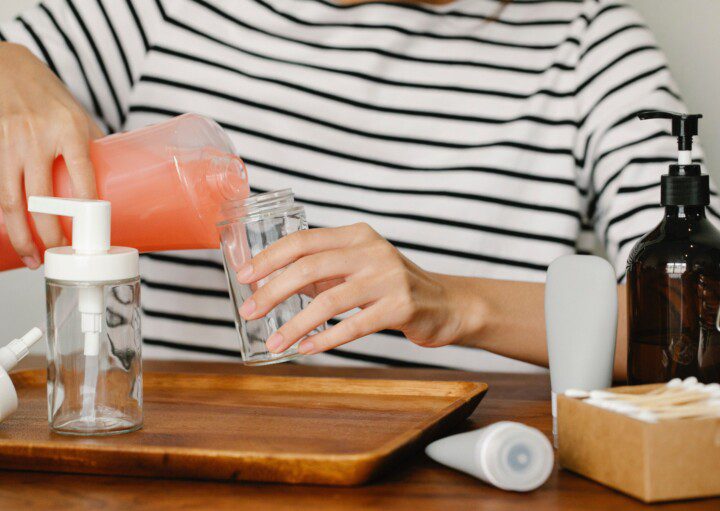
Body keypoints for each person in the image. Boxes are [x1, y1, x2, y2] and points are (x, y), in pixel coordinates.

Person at [1, 0, 713, 376]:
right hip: (172, 469)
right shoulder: (157, 11)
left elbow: (702, 327)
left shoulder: (585, 44)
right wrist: (8, 63)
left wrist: (454, 303)